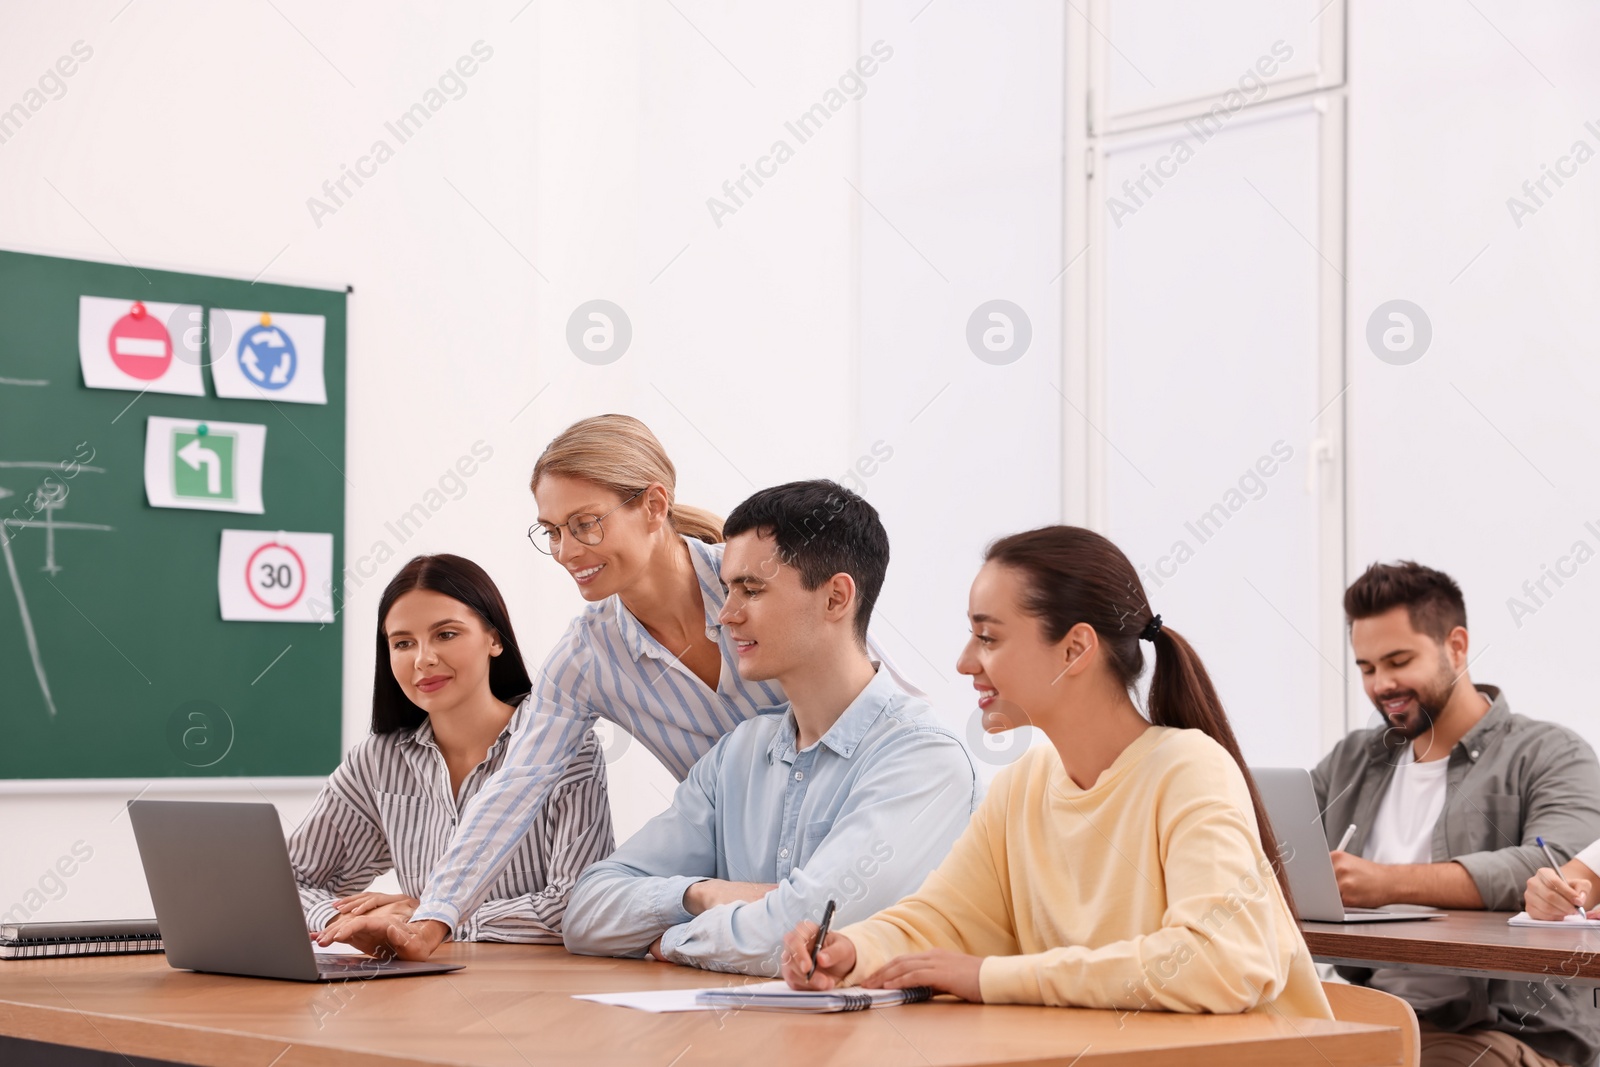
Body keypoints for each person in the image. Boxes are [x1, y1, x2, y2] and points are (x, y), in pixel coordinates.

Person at [325, 415, 911, 958]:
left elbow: (878, 705)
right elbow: (516, 788)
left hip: (856, 857)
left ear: (654, 505)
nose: (566, 551)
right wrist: (434, 920)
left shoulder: (763, 591)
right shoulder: (587, 658)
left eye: (585, 524)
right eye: (551, 531)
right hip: (743, 878)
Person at [780, 525, 1330, 1020]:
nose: (965, 661)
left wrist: (987, 978)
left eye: (988, 637)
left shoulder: (1189, 770)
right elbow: (940, 920)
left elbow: (1218, 960)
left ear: (1074, 649)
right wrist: (851, 951)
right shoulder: (1024, 785)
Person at [562, 480, 978, 975]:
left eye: (751, 589)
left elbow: (806, 933)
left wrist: (667, 940)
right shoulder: (739, 754)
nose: (726, 614)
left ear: (835, 598)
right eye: (728, 587)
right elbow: (586, 911)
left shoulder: (924, 761)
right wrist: (701, 893)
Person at [1313, 561, 1600, 1067]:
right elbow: (1275, 851)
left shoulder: (1551, 754)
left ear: (1457, 646)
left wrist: (1388, 884)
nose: (1382, 684)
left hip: (1504, 1032)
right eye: (1367, 668)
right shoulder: (1352, 760)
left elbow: (1561, 866)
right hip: (1377, 1013)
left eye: (1399, 660)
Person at [290, 554, 612, 945]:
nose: (423, 659)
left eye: (446, 634)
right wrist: (348, 918)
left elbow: (577, 905)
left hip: (533, 989)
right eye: (403, 643)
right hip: (427, 983)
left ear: (494, 639)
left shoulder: (564, 745)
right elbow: (289, 881)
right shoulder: (377, 762)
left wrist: (429, 919)